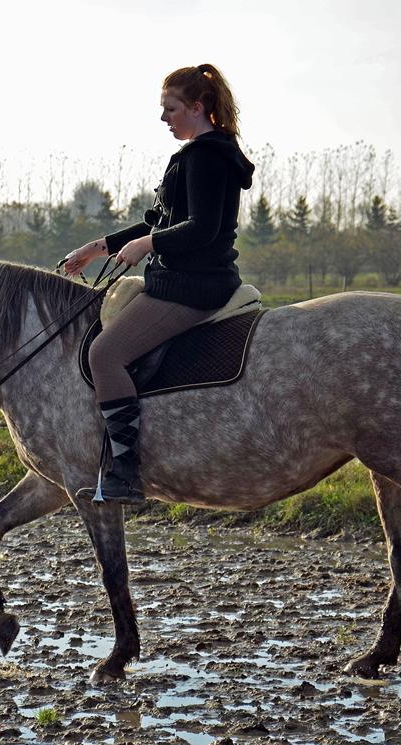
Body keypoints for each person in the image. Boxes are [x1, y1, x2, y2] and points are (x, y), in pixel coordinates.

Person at [63, 63, 255, 504]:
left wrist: (149, 244)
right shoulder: (201, 154)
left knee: (105, 354)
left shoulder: (206, 156)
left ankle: (126, 471)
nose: (164, 117)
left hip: (193, 285)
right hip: (186, 278)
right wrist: (100, 246)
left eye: (170, 108)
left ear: (198, 106)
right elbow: (161, 220)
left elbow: (202, 229)